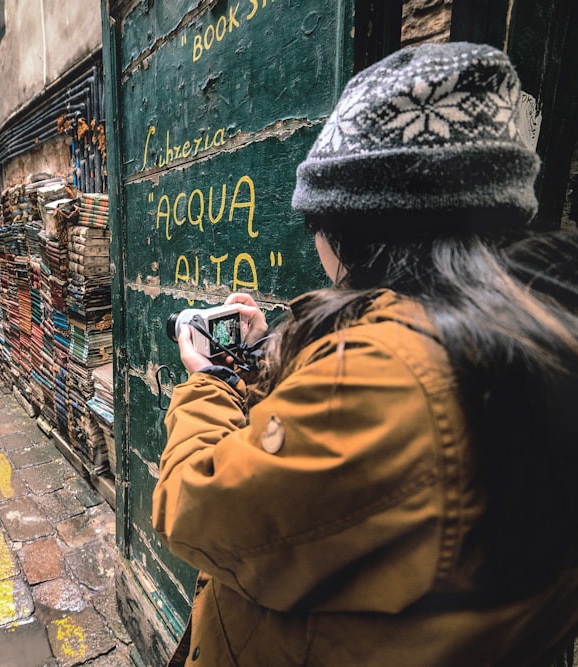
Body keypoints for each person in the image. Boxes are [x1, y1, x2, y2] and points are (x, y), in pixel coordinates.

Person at [153, 42, 578, 666]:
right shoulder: (530, 329)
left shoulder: (386, 377)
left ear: (351, 222)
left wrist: (209, 380)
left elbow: (195, 507)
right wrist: (262, 366)